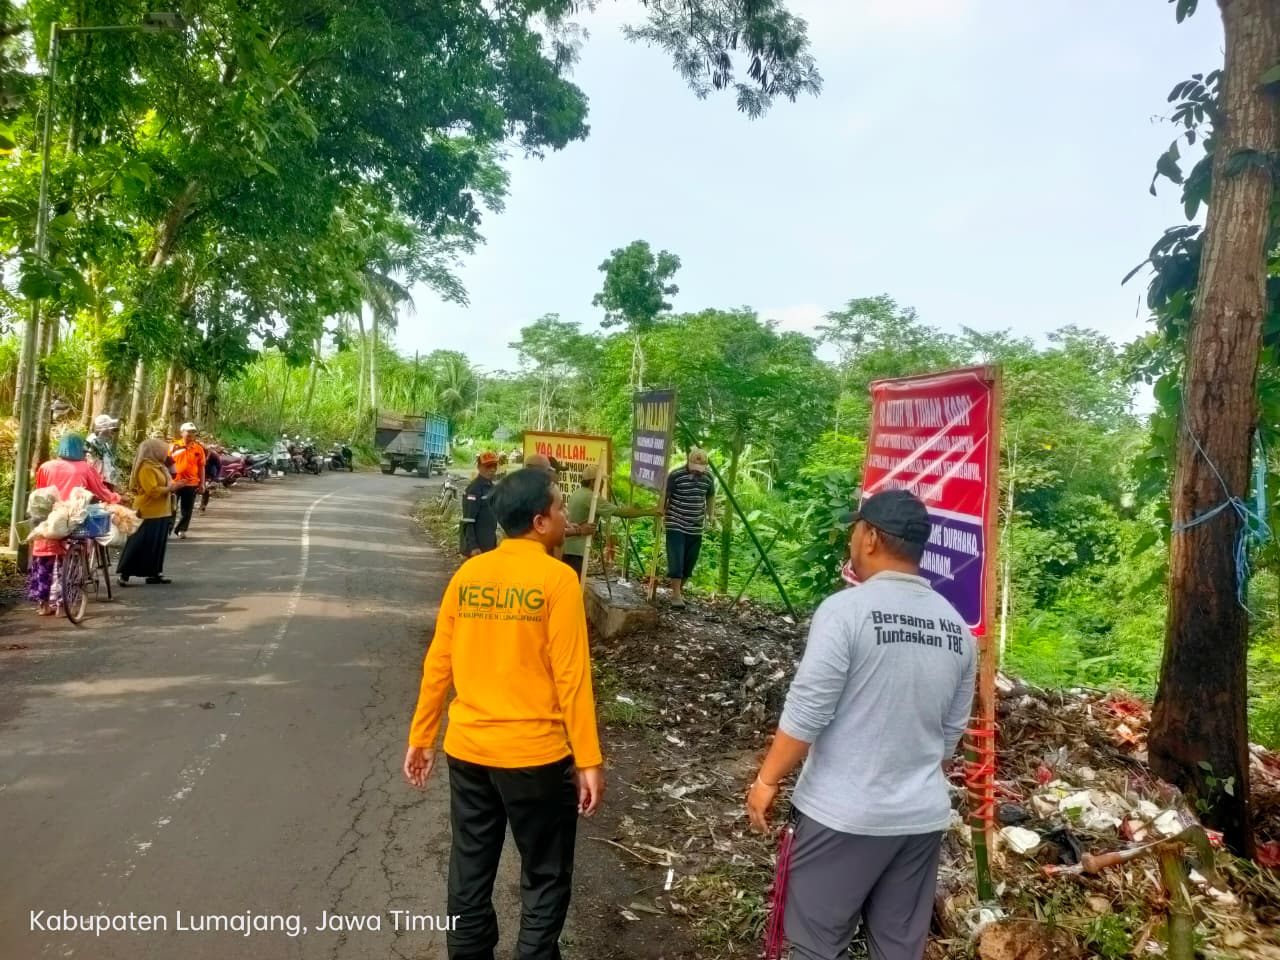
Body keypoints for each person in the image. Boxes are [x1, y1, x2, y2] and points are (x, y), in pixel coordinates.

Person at [745, 489, 977, 960]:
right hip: (919, 820)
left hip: (842, 814)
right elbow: (949, 737)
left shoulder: (845, 612)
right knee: (896, 951)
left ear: (870, 538)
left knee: (813, 945)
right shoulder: (956, 629)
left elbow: (808, 711)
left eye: (856, 529)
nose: (852, 539)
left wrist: (767, 779)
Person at [404, 466, 605, 960]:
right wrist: (588, 758)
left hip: (469, 752)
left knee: (469, 868)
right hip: (535, 757)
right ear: (539, 522)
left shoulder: (469, 576)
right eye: (559, 507)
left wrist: (422, 735)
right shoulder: (558, 581)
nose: (564, 515)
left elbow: (439, 662)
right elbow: (572, 677)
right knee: (544, 874)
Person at [26, 433, 122, 616]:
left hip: (49, 518)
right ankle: (65, 602)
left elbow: (40, 493)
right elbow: (101, 491)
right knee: (72, 555)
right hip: (73, 517)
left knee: (44, 556)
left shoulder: (46, 467)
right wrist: (116, 499)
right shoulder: (85, 468)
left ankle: (43, 604)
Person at [561, 463, 657, 578]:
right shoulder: (591, 496)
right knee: (575, 583)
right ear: (593, 482)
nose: (602, 484)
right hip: (576, 550)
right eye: (601, 480)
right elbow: (621, 513)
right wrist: (651, 511)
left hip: (568, 547)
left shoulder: (577, 493)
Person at [118, 438, 190, 586]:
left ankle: (155, 572)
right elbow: (152, 491)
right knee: (138, 543)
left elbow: (164, 484)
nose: (165, 454)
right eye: (162, 451)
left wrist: (175, 485)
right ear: (154, 451)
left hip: (161, 510)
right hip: (148, 510)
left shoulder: (158, 466)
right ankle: (125, 574)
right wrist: (172, 488)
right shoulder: (146, 468)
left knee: (157, 544)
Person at [662, 447, 715, 607]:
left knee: (689, 562)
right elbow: (666, 495)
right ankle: (676, 595)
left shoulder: (708, 478)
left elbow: (710, 495)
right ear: (688, 462)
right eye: (694, 469)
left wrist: (710, 515)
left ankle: (677, 590)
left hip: (695, 525)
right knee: (676, 559)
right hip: (675, 521)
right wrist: (660, 514)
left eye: (700, 469)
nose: (697, 472)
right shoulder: (676, 475)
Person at [169, 422, 206, 540]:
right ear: (182, 432)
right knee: (171, 508)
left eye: (193, 432)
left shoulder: (198, 449)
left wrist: (202, 483)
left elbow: (201, 467)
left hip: (191, 483)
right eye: (188, 431)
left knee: (187, 509)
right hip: (174, 482)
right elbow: (165, 464)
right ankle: (168, 530)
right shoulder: (173, 447)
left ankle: (182, 529)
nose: (191, 434)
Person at [460, 451, 500, 556]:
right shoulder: (474, 489)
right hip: (478, 547)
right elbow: (468, 521)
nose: (492, 469)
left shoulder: (491, 487)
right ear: (479, 467)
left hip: (489, 543)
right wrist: (473, 546)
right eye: (488, 466)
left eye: (494, 466)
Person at [85, 414, 121, 489]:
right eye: (111, 430)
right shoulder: (92, 440)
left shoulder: (105, 443)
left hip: (107, 481)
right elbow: (97, 451)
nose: (113, 433)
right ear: (103, 429)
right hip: (97, 482)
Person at [200, 445, 223, 513]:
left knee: (206, 489)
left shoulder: (214, 456)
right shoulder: (198, 454)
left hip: (209, 474)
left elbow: (219, 467)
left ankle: (203, 506)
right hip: (199, 473)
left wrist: (215, 478)